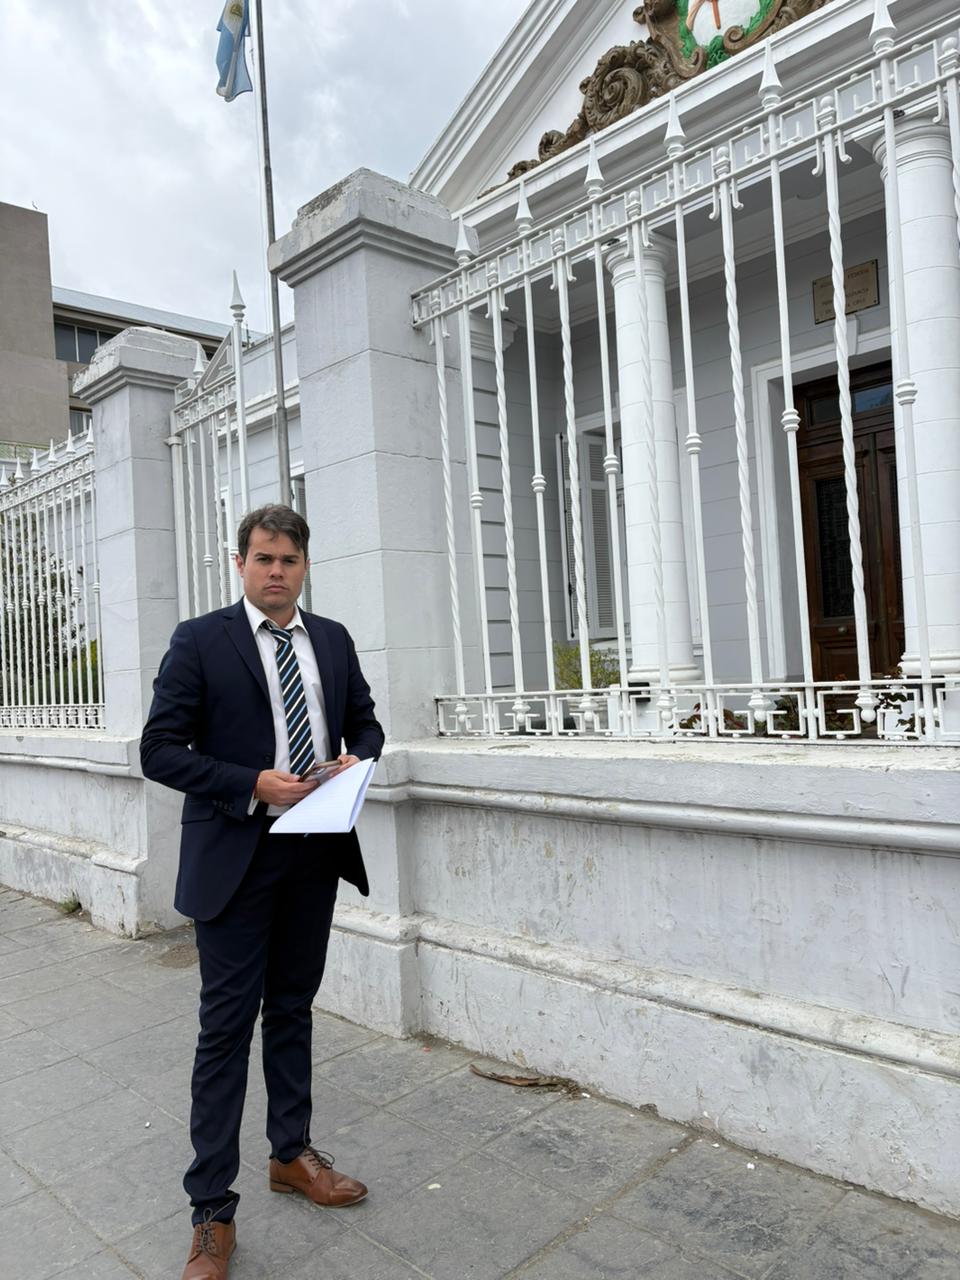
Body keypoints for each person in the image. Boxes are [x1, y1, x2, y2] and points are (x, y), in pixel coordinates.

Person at [140, 504, 384, 1280]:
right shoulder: (201, 640)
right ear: (240, 564)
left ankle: (291, 1154)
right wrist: (249, 782)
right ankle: (211, 1212)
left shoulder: (334, 640)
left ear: (305, 565)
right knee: (224, 1030)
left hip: (313, 852)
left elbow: (368, 726)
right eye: (263, 558)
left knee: (293, 1010)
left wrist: (356, 762)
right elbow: (160, 750)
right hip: (236, 860)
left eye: (288, 559)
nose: (276, 571)